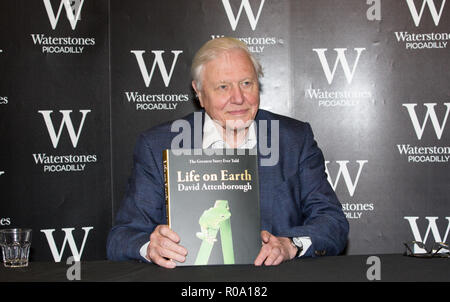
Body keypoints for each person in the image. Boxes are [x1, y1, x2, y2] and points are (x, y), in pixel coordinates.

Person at [106, 37, 349, 268]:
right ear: (199, 93)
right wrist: (150, 247)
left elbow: (332, 222)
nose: (238, 98)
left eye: (246, 83)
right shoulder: (158, 145)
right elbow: (122, 237)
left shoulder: (294, 140)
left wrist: (290, 244)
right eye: (223, 87)